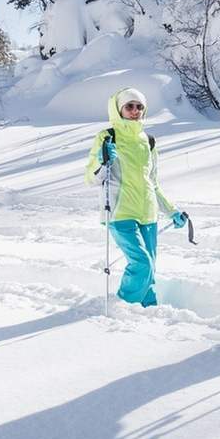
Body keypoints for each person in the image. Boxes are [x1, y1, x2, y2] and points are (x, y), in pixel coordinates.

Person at [83, 88, 184, 307]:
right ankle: (122, 305)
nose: (135, 111)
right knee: (142, 264)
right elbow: (91, 178)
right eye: (129, 106)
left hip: (148, 213)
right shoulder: (107, 136)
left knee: (150, 269)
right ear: (118, 109)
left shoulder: (148, 140)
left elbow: (153, 183)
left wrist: (172, 211)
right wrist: (102, 160)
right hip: (120, 212)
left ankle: (148, 310)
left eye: (139, 107)